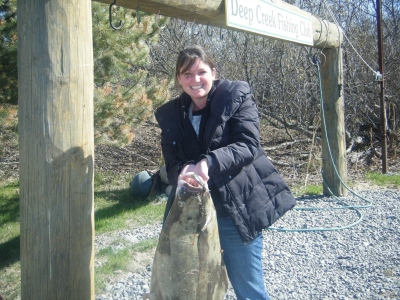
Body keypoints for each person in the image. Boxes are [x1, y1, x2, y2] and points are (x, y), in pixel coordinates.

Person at [155, 45, 296, 300]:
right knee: (187, 287)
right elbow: (172, 162)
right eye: (187, 74)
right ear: (178, 79)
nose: (195, 80)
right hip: (189, 213)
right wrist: (184, 170)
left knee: (248, 288)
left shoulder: (236, 96)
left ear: (213, 72)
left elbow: (247, 145)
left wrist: (208, 163)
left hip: (235, 208)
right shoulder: (170, 115)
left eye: (201, 72)